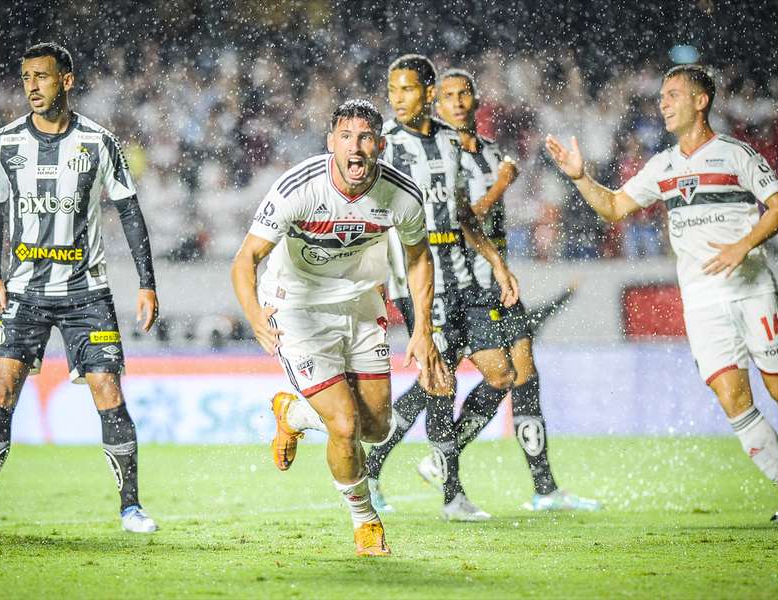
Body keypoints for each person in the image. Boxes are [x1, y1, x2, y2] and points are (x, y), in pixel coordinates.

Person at [546, 64, 778, 521]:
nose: (663, 104)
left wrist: (742, 245)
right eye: (662, 97)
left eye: (673, 95)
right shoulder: (663, 166)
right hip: (701, 300)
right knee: (733, 398)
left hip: (750, 289)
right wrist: (579, 177)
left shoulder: (734, 154)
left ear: (700, 101)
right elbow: (613, 206)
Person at [231, 99, 449, 556]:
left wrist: (423, 329)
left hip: (362, 304)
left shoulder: (402, 195)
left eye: (365, 138)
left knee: (376, 428)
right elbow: (245, 260)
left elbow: (417, 258)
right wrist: (255, 316)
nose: (356, 148)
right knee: (345, 426)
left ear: (380, 145)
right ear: (331, 142)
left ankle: (292, 413)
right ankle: (365, 522)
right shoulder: (299, 188)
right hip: (298, 311)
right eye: (346, 137)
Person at [0, 42, 159, 533]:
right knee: (3, 384)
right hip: (23, 291)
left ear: (66, 81)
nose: (32, 86)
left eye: (43, 77)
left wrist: (146, 284)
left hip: (86, 292)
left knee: (107, 387)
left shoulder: (98, 142)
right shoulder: (5, 143)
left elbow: (129, 210)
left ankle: (131, 509)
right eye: (26, 76)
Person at [414, 68, 600, 512]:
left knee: (524, 375)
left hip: (497, 277)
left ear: (477, 100)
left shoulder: (493, 151)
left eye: (465, 94)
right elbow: (457, 221)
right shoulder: (440, 155)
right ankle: (438, 466)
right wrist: (501, 185)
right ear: (435, 105)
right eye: (448, 96)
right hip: (459, 282)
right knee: (450, 380)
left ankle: (545, 489)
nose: (458, 103)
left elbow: (491, 220)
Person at [363, 54, 522, 521]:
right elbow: (371, 216)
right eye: (392, 90)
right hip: (416, 281)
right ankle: (452, 495)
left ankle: (386, 463)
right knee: (440, 382)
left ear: (428, 92)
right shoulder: (385, 145)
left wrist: (496, 261)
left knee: (501, 375)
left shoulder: (452, 141)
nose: (397, 98)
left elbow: (462, 213)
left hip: (464, 274)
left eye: (407, 89)